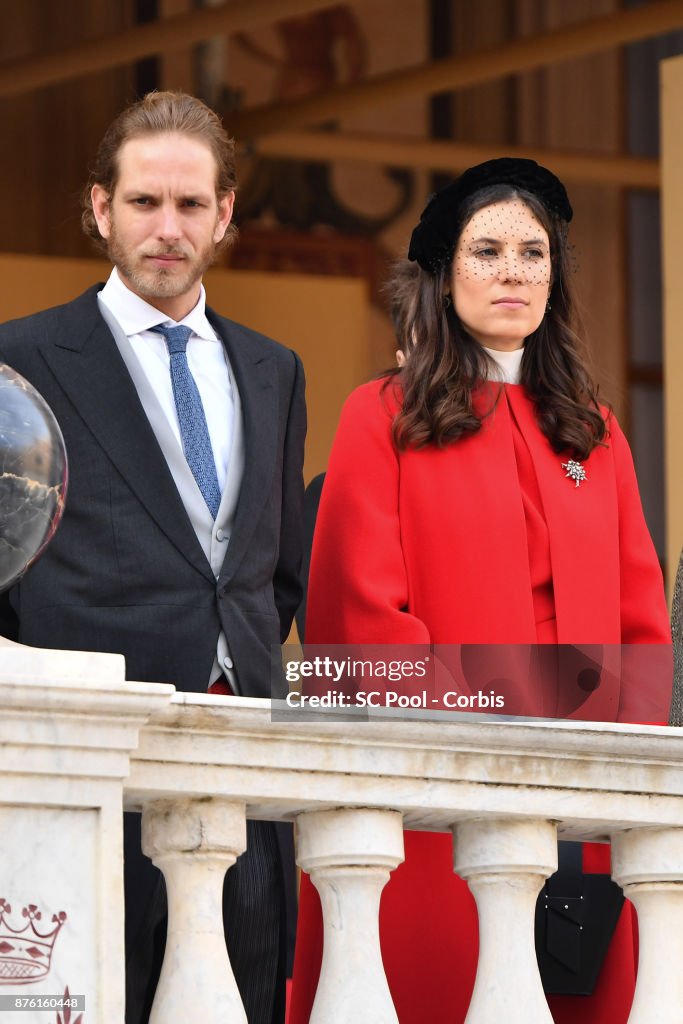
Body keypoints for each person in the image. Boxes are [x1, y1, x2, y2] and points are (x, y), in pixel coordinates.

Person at [289, 158, 671, 1023]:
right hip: (433, 800)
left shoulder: (597, 433)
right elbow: (356, 633)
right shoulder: (379, 416)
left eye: (532, 254)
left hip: (582, 806)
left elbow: (641, 630)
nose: (512, 271)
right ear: (443, 274)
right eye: (487, 250)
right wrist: (531, 701)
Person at [0, 91, 305, 1024]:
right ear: (100, 209)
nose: (165, 229)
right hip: (87, 764)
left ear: (224, 214)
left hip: (243, 765)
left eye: (187, 205)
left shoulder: (273, 368)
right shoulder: (19, 360)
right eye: (143, 203)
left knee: (246, 999)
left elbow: (272, 567)